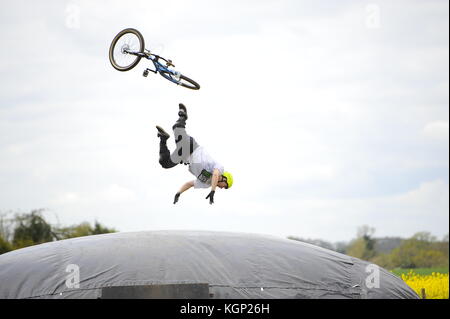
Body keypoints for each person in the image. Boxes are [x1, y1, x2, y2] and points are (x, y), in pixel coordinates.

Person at [156, 103, 233, 205]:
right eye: (225, 186)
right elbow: (215, 174)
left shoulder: (206, 184)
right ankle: (183, 115)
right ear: (225, 178)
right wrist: (213, 191)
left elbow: (189, 184)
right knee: (177, 127)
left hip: (185, 155)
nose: (222, 188)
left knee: (165, 163)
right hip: (192, 147)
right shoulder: (220, 169)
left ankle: (163, 138)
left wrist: (179, 192)